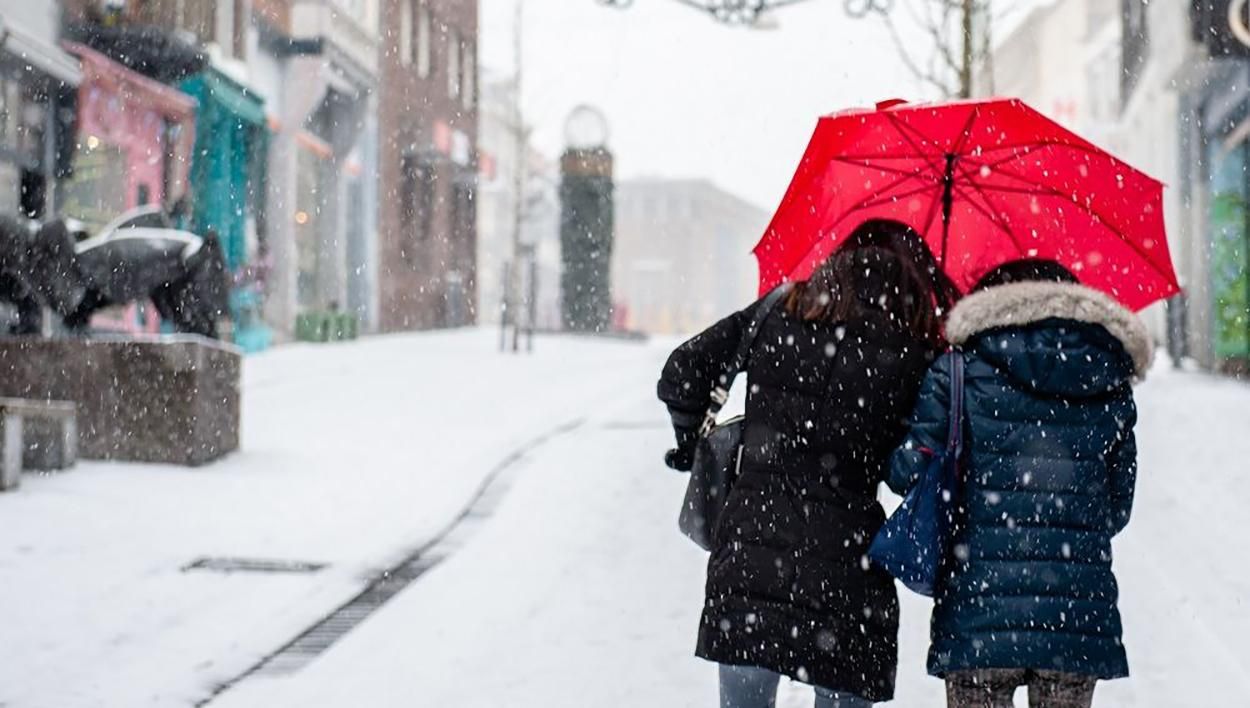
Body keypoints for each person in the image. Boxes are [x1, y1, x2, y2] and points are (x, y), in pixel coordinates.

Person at [658, 219, 959, 707]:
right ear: (915, 279)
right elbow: (907, 471)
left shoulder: (780, 308)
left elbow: (682, 372)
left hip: (751, 553)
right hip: (847, 568)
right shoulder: (918, 349)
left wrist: (692, 442)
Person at [888, 259, 1149, 708]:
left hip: (978, 612)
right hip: (1074, 617)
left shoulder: (957, 372)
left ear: (988, 303)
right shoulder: (1107, 376)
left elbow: (905, 475)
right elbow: (1116, 509)